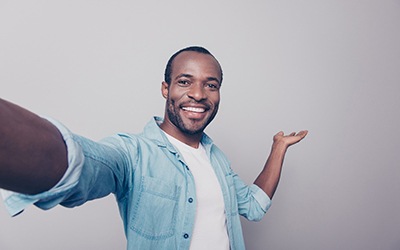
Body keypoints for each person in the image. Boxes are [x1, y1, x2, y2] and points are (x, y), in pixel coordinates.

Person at [0, 46, 308, 249]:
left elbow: (253, 206)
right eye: (185, 81)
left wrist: (278, 148)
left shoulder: (218, 161)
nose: (199, 94)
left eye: (210, 85)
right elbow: (85, 164)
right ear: (166, 88)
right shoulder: (133, 152)